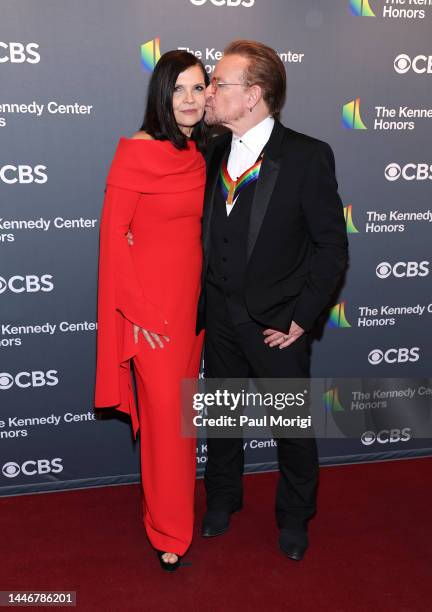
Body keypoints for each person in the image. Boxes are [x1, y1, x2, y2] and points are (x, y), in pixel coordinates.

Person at [197, 40, 349, 560]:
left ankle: (294, 517)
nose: (210, 93)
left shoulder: (306, 156)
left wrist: (304, 319)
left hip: (276, 322)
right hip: (217, 315)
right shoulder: (212, 148)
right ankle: (221, 501)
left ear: (254, 95)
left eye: (220, 84)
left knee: (292, 427)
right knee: (220, 418)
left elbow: (332, 246)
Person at [94, 50, 209, 572]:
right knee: (165, 421)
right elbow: (114, 236)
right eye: (178, 89)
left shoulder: (199, 151)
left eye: (198, 88)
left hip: (193, 313)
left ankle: (171, 510)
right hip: (151, 315)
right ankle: (169, 529)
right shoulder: (135, 151)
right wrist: (138, 314)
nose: (189, 99)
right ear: (161, 94)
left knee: (180, 421)